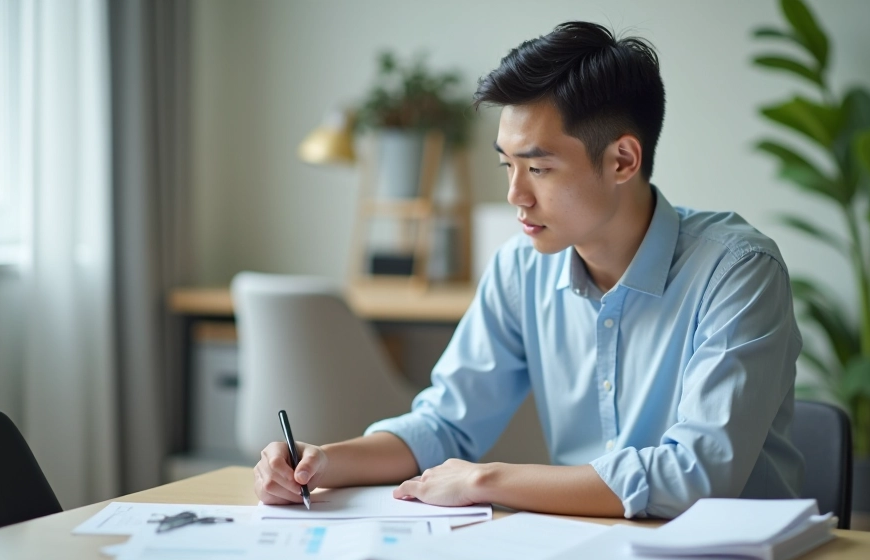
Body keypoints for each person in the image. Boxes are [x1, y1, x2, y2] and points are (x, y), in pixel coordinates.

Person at [254, 21, 804, 519]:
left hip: (736, 559)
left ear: (622, 161)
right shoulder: (522, 270)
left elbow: (695, 476)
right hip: (590, 548)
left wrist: (485, 480)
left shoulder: (738, 271)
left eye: (539, 168)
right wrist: (324, 461)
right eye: (507, 166)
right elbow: (446, 423)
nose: (516, 195)